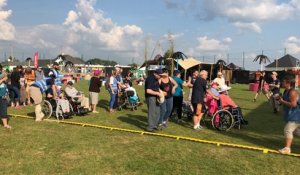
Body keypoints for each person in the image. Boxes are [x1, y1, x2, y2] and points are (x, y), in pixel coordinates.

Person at [277, 75, 300, 154]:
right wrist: (280, 100)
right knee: (295, 131)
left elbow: (293, 104)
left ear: (288, 83)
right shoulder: (286, 91)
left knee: (288, 130)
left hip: (296, 115)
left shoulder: (292, 92)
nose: (282, 82)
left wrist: (282, 101)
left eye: (283, 81)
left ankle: (287, 149)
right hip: (292, 115)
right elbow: (285, 102)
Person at [0, 64, 11, 129]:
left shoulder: (2, 74)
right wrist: (3, 79)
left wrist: (6, 78)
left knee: (4, 109)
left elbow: (8, 82)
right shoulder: (2, 76)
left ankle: (5, 125)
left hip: (3, 95)